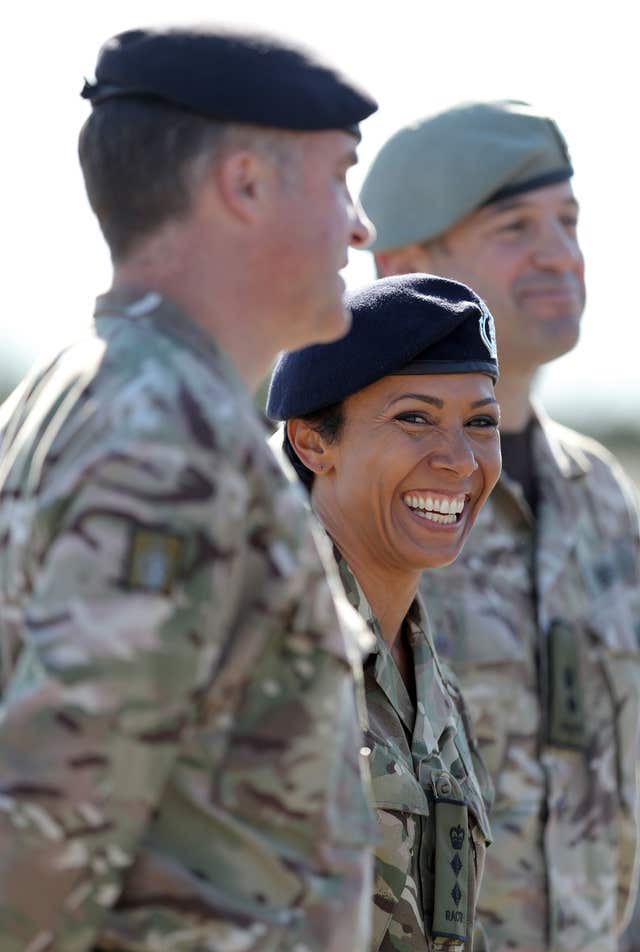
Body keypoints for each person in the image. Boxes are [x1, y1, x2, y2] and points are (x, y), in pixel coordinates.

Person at [0, 26, 380, 952]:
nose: (360, 225)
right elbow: (48, 832)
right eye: (338, 178)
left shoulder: (75, 391)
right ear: (245, 183)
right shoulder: (172, 440)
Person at [359, 100, 640, 951]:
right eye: (515, 227)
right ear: (406, 264)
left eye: (568, 221)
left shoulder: (601, 495)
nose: (560, 253)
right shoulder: (335, 491)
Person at [267, 273, 501, 951]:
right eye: (415, 418)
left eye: (479, 423)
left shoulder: (433, 686)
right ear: (314, 441)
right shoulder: (260, 653)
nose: (459, 461)